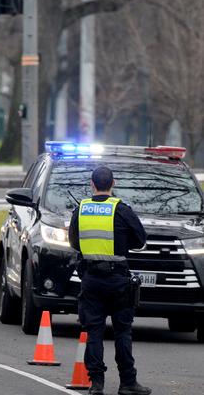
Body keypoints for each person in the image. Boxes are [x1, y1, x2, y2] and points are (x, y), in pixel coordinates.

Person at [68, 166, 151, 395]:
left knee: (93, 332)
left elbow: (74, 242)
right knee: (122, 332)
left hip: (91, 279)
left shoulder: (81, 210)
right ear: (112, 184)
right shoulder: (122, 210)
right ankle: (128, 383)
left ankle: (96, 384)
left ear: (92, 184)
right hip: (118, 280)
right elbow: (141, 240)